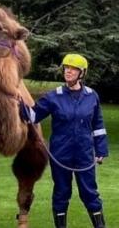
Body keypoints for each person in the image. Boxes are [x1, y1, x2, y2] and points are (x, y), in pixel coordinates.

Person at [23, 53, 108, 228]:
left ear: (82, 73)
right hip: (60, 155)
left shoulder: (92, 96)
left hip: (84, 154)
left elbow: (98, 125)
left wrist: (100, 151)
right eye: (66, 68)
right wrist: (17, 103)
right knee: (62, 193)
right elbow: (33, 116)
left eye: (73, 69)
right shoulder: (53, 96)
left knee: (90, 193)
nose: (68, 72)